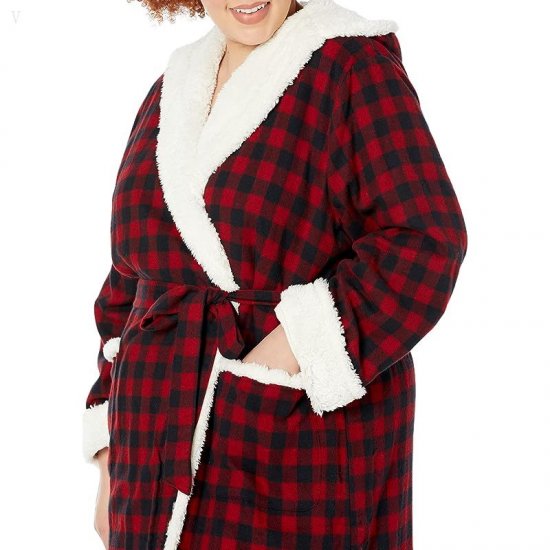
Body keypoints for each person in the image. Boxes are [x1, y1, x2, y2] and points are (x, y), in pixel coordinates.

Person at [82, 0, 468, 548]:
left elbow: (425, 240)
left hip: (293, 436)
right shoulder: (173, 86)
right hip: (148, 452)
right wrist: (110, 460)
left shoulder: (352, 69)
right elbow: (127, 281)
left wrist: (291, 351)